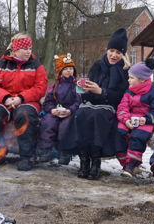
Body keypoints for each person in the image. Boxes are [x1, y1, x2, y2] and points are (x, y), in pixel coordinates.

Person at [59, 28, 130, 180]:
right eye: (112, 50)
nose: (114, 55)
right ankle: (84, 160)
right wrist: (83, 88)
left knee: (99, 116)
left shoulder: (125, 71)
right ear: (107, 50)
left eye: (118, 52)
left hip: (111, 106)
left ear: (123, 54)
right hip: (91, 103)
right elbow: (89, 90)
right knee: (80, 114)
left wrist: (101, 92)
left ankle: (96, 161)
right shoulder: (97, 66)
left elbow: (122, 96)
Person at [0, 33, 48, 171]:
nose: (29, 51)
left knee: (25, 116)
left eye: (30, 48)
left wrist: (21, 98)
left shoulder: (36, 65)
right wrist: (6, 98)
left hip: (27, 100)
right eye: (25, 48)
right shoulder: (0, 64)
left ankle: (27, 157)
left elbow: (41, 87)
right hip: (4, 100)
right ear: (15, 49)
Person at [116, 58, 154, 177]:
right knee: (119, 133)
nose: (128, 80)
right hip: (128, 118)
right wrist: (125, 119)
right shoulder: (129, 91)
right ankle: (124, 163)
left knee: (137, 137)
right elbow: (122, 107)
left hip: (144, 121)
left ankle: (131, 164)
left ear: (141, 79)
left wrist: (146, 119)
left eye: (131, 78)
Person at [36, 53, 81, 164]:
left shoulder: (76, 86)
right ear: (60, 71)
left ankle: (65, 153)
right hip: (55, 111)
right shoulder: (55, 86)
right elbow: (48, 102)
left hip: (69, 112)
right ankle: (46, 150)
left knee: (65, 126)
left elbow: (78, 101)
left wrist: (70, 110)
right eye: (65, 69)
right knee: (48, 122)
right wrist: (52, 110)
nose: (69, 71)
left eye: (71, 68)